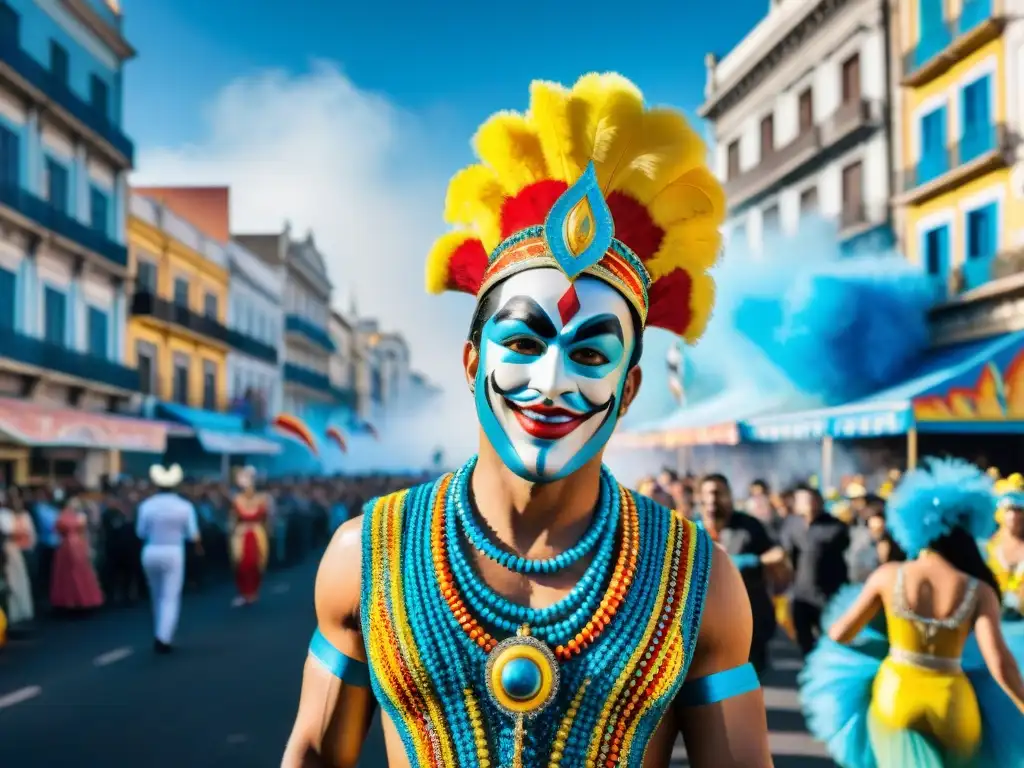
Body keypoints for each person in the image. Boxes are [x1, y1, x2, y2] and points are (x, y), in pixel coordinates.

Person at [283, 73, 772, 768]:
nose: (551, 383)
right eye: (522, 343)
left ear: (628, 388)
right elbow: (312, 752)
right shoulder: (365, 557)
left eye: (591, 352)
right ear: (470, 358)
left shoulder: (697, 581)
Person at [799, 458, 1024, 767]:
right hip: (954, 705)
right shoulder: (979, 590)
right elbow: (999, 662)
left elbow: (839, 633)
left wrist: (880, 646)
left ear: (913, 525)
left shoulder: (889, 575)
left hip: (896, 696)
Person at [699, 473, 786, 676]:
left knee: (747, 685)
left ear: (729, 495)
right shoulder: (692, 527)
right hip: (707, 626)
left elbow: (777, 554)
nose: (713, 499)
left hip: (750, 619)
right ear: (700, 497)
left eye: (718, 493)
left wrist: (747, 562)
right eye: (708, 493)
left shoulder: (749, 526)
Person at [136, 464, 202, 654]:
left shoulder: (146, 505)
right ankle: (164, 637)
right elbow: (193, 535)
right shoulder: (184, 506)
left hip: (150, 550)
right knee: (170, 596)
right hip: (173, 551)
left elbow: (140, 532)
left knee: (156, 595)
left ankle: (160, 631)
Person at [780, 485, 849, 657]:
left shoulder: (835, 527)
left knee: (829, 640)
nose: (808, 504)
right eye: (803, 500)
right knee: (804, 641)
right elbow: (786, 554)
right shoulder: (791, 525)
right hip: (800, 594)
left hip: (827, 593)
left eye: (812, 499)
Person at [49, 494, 104, 612]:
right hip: (71, 547)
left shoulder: (70, 517)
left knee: (79, 573)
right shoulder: (71, 517)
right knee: (71, 573)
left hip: (74, 546)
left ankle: (80, 600)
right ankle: (74, 600)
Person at [230, 466, 269, 606]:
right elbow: (233, 519)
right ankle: (244, 592)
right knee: (242, 564)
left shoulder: (262, 499)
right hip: (241, 534)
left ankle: (253, 592)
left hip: (257, 533)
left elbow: (265, 518)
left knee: (256, 563)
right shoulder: (237, 500)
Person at [0, 489, 36, 627]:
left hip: (11, 548)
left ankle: (18, 611)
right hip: (11, 548)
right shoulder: (10, 515)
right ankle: (17, 611)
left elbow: (12, 531)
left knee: (16, 580)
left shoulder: (9, 515)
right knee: (15, 580)